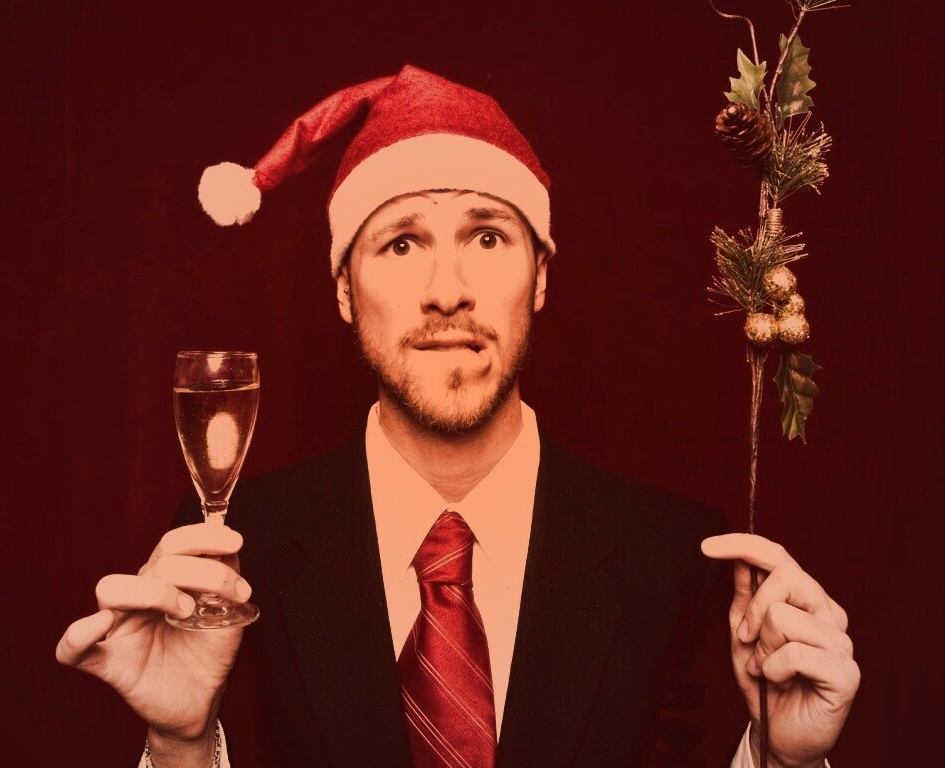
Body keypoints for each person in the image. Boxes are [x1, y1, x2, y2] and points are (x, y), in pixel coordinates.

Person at [56, 65, 859, 768]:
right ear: (344, 290)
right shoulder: (225, 565)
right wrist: (183, 746)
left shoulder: (683, 566)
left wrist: (781, 762)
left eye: (487, 237)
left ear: (539, 276)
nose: (447, 291)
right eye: (401, 245)